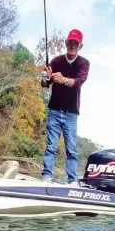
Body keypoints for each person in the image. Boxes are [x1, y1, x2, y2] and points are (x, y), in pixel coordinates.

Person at [40, 29, 90, 186]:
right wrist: (45, 76)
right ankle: (47, 176)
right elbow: (44, 84)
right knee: (51, 146)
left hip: (71, 114)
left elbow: (78, 83)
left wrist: (62, 80)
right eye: (70, 42)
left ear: (80, 46)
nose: (73, 46)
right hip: (54, 111)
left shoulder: (84, 63)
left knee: (72, 150)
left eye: (76, 43)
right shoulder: (55, 61)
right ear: (66, 43)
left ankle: (72, 180)